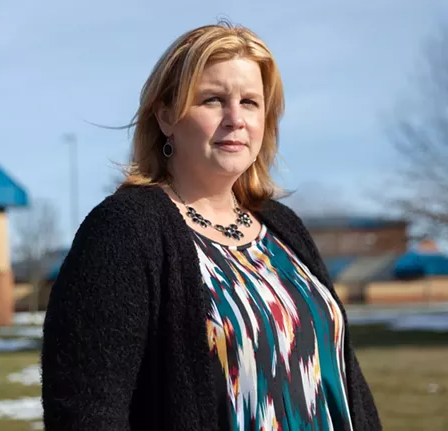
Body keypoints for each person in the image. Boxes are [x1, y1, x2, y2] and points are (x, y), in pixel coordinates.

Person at [41, 21, 381, 431]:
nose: (235, 119)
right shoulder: (124, 231)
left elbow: (346, 379)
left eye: (251, 102)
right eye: (213, 100)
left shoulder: (281, 225)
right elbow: (85, 413)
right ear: (166, 116)